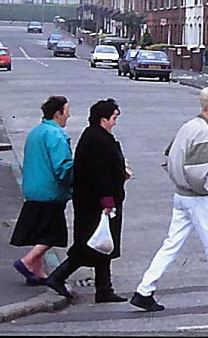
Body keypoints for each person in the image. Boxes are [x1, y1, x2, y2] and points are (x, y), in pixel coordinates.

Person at [129, 86, 208, 311]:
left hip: (181, 194)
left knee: (171, 244)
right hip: (196, 196)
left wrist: (180, 180)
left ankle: (144, 289)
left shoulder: (188, 126)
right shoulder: (204, 132)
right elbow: (197, 170)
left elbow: (169, 155)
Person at [42, 99, 129, 303]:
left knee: (103, 244)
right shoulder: (97, 139)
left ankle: (104, 289)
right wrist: (107, 201)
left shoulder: (96, 135)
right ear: (103, 119)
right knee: (90, 244)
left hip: (95, 199)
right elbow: (99, 173)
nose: (115, 122)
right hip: (96, 203)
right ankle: (58, 276)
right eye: (113, 118)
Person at [10, 96, 73, 285]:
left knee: (40, 232)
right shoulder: (56, 135)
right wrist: (74, 182)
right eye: (66, 113)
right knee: (53, 234)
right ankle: (27, 261)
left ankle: (37, 271)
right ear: (57, 113)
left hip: (33, 189)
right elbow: (63, 166)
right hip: (50, 191)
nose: (68, 117)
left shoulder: (35, 132)